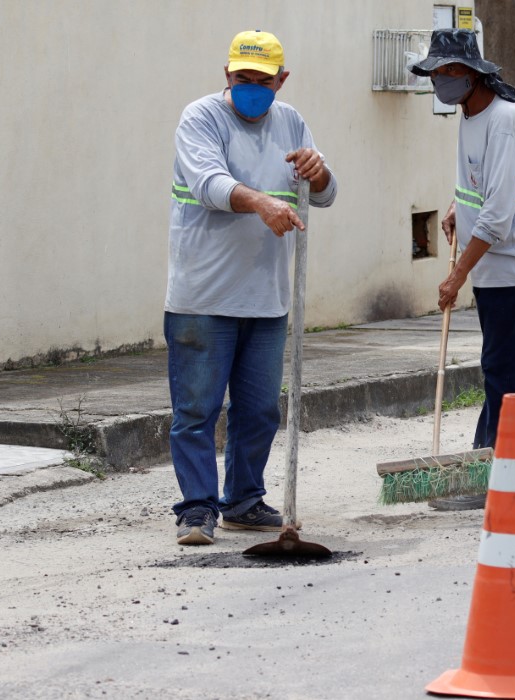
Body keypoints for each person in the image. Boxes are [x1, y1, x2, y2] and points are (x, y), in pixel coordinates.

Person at [165, 30, 337, 544]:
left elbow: (325, 195)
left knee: (260, 408)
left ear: (282, 80)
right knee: (196, 410)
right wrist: (262, 202)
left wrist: (320, 173)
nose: (252, 88)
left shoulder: (291, 122)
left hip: (266, 299)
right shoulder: (200, 118)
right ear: (227, 74)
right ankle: (197, 509)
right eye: (243, 78)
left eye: (264, 80)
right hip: (202, 296)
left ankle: (242, 500)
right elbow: (208, 183)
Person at [409, 28, 515, 511]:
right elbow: (485, 183)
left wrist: (456, 277)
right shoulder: (472, 112)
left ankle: (491, 478)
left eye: (447, 72)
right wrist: (461, 204)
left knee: (501, 372)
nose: (439, 80)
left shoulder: (502, 119)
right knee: (514, 368)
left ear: (472, 75)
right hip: (502, 261)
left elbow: (498, 218)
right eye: (434, 73)